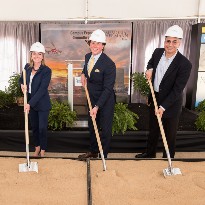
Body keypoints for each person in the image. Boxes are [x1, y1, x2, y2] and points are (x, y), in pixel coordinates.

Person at [135, 25, 192, 159]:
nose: (170, 44)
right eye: (168, 41)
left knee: (170, 133)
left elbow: (177, 89)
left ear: (179, 43)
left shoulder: (184, 64)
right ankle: (150, 154)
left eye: (174, 41)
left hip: (171, 102)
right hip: (156, 97)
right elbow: (150, 63)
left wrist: (163, 107)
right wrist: (149, 69)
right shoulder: (157, 52)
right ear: (164, 41)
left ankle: (168, 157)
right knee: (153, 129)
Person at [78, 29, 116, 160]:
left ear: (103, 46)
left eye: (98, 43)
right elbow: (87, 67)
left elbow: (108, 89)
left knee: (105, 129)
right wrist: (83, 73)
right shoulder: (88, 56)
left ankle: (103, 156)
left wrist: (97, 106)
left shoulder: (109, 64)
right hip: (91, 98)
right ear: (89, 43)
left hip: (105, 100)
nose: (95, 46)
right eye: (93, 42)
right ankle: (93, 151)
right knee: (92, 126)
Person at [19, 42, 52, 157]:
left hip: (42, 104)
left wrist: (29, 104)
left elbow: (42, 90)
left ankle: (43, 149)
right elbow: (21, 80)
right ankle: (37, 147)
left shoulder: (46, 70)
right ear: (31, 55)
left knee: (42, 128)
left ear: (42, 56)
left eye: (39, 54)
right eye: (34, 54)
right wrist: (22, 85)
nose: (36, 56)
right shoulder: (27, 68)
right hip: (30, 103)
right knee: (34, 127)